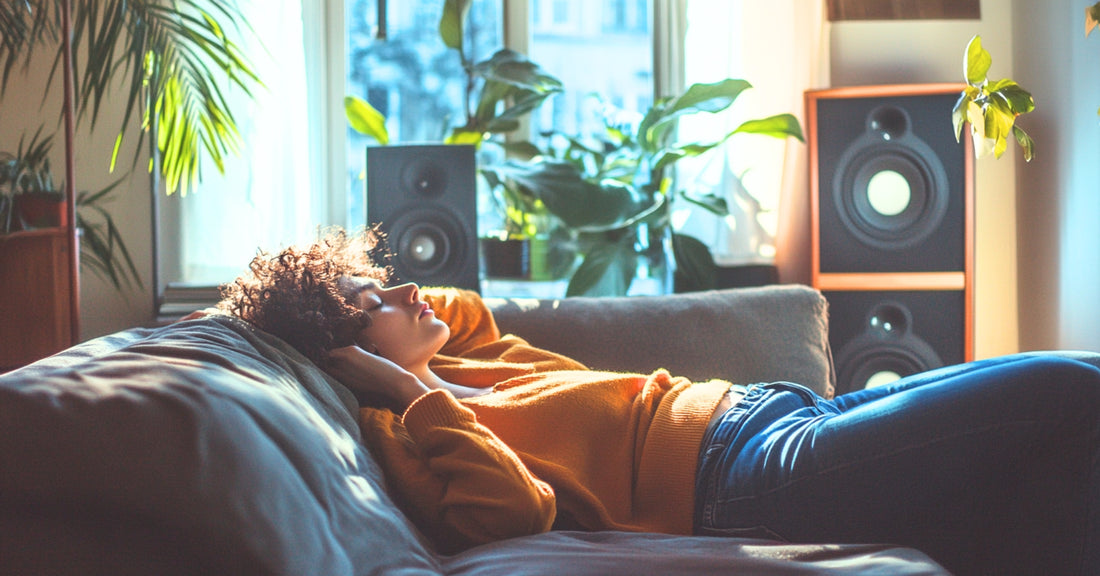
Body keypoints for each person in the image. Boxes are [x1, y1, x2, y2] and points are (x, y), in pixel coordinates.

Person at [217, 227, 1100, 576]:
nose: (402, 293)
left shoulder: (468, 348)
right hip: (747, 477)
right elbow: (516, 511)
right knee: (1069, 392)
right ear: (343, 353)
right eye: (371, 303)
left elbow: (454, 306)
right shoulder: (408, 429)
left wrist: (368, 315)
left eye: (377, 284)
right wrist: (409, 389)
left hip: (780, 413)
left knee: (1058, 441)